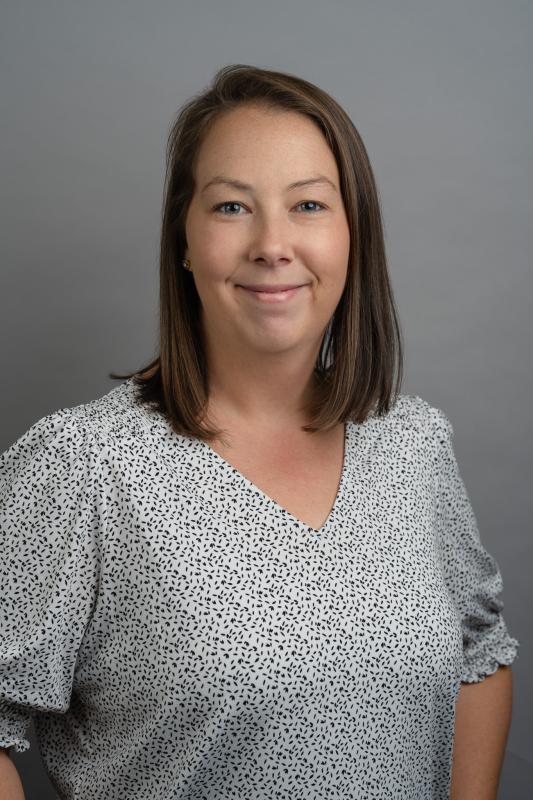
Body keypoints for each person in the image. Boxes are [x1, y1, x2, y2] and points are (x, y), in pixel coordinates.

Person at [0, 63, 520, 800]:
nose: (273, 244)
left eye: (308, 205)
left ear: (352, 236)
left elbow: (478, 650)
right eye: (231, 208)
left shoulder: (413, 443)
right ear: (183, 240)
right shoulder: (81, 466)